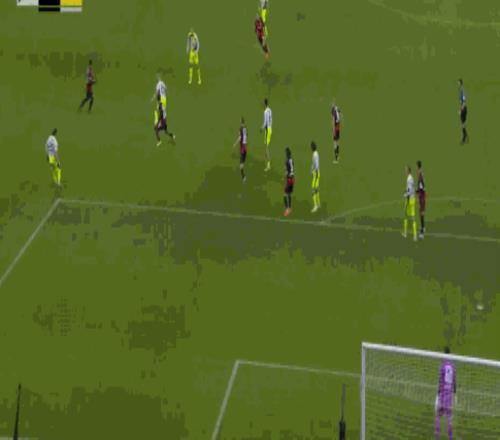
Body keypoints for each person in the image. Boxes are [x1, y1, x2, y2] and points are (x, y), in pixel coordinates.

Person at [435, 347, 457, 440]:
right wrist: (455, 394)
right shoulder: (453, 366)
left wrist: (438, 394)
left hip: (442, 395)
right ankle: (450, 437)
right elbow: (454, 381)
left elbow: (440, 381)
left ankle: (437, 437)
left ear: (444, 354)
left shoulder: (442, 366)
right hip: (449, 396)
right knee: (449, 418)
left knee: (438, 415)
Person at [402, 165, 417, 241]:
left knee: (405, 215)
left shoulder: (408, 179)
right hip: (413, 199)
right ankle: (415, 236)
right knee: (413, 217)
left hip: (409, 199)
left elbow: (410, 190)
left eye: (405, 170)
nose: (404, 171)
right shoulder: (412, 178)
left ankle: (405, 233)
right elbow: (412, 189)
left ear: (408, 171)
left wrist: (405, 194)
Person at [233, 117, 248, 182]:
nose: (240, 124)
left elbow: (239, 138)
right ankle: (243, 176)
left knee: (241, 165)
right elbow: (246, 136)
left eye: (240, 122)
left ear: (241, 123)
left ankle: (243, 177)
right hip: (245, 149)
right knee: (242, 164)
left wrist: (235, 143)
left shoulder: (241, 129)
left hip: (242, 149)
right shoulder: (245, 129)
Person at [261, 98, 273, 171]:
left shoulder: (265, 111)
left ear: (265, 103)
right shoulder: (270, 110)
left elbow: (265, 122)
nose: (262, 104)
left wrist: (261, 128)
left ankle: (268, 165)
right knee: (266, 146)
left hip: (267, 130)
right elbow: (271, 119)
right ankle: (265, 158)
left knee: (266, 148)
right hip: (270, 129)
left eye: (263, 103)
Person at [416, 160, 426, 239]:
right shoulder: (421, 173)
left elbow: (421, 188)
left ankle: (422, 233)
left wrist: (417, 192)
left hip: (422, 196)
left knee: (421, 213)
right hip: (422, 195)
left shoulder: (420, 175)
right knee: (421, 212)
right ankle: (423, 227)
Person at [283, 147, 294, 216]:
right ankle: (289, 208)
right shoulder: (292, 160)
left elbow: (287, 171)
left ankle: (287, 209)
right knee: (289, 194)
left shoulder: (287, 161)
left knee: (285, 194)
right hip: (292, 178)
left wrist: (285, 176)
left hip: (289, 179)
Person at [458, 79, 469, 144]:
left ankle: (464, 138)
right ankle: (466, 136)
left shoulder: (462, 90)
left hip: (464, 109)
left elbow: (464, 102)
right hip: (462, 108)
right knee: (462, 124)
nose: (458, 84)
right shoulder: (461, 90)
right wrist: (459, 109)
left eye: (458, 83)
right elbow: (461, 102)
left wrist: (461, 110)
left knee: (463, 124)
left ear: (461, 83)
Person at [311, 141, 320, 213]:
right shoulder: (316, 153)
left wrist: (314, 171)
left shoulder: (314, 154)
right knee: (316, 189)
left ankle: (315, 206)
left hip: (316, 173)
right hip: (317, 173)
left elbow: (316, 164)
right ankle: (318, 204)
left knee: (313, 190)